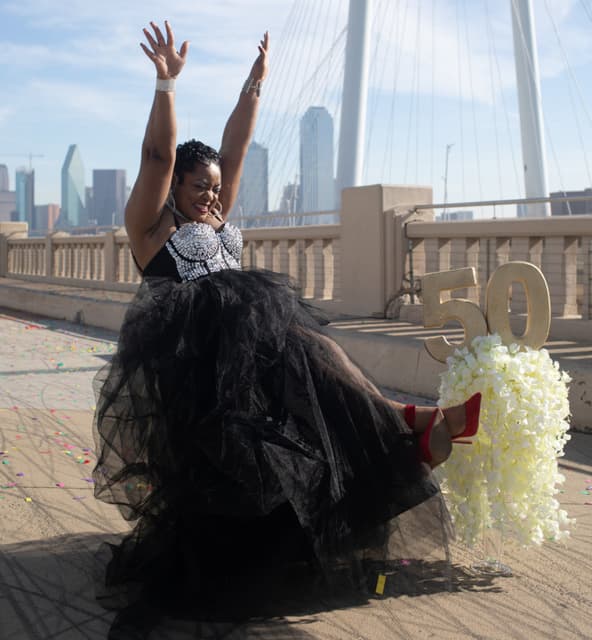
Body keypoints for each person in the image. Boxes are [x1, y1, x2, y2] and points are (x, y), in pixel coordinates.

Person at [92, 20, 481, 638]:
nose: (212, 200)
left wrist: (254, 85)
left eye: (217, 191)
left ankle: (402, 425)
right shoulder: (152, 229)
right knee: (237, 466)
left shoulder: (217, 214)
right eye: (199, 189)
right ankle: (400, 423)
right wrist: (166, 83)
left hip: (252, 355)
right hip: (196, 367)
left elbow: (236, 151)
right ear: (174, 191)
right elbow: (158, 157)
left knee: (317, 359)